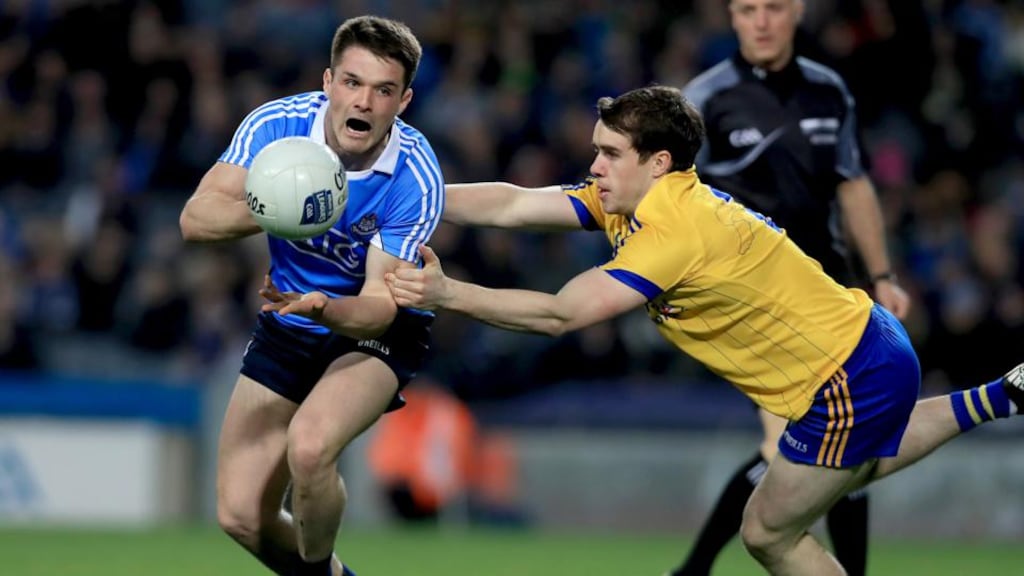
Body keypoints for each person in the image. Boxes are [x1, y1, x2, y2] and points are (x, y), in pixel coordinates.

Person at [371, 84, 1022, 576]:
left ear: (658, 162)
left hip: (845, 375)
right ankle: (1002, 396)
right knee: (854, 466)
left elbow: (561, 313)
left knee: (768, 531)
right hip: (866, 346)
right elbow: (513, 202)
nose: (593, 165)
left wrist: (448, 291)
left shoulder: (675, 234)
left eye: (608, 154)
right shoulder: (634, 199)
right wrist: (416, 195)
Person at [178, 15, 443, 576]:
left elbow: (378, 308)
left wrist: (327, 307)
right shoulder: (277, 126)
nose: (364, 102)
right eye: (351, 82)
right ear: (327, 82)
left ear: (405, 101)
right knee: (241, 516)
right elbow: (195, 220)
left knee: (310, 446)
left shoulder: (415, 176)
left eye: (383, 90)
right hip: (288, 319)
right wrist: (277, 202)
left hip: (374, 332)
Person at [673, 1, 910, 573]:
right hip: (749, 302)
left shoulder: (829, 91)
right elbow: (670, 200)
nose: (761, 21)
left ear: (796, 12)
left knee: (850, 438)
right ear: (731, 16)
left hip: (827, 293)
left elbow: (852, 186)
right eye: (748, 8)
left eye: (773, 7)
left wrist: (881, 276)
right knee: (801, 446)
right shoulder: (702, 101)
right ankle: (693, 570)